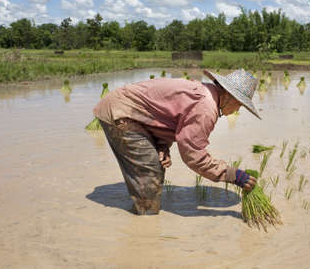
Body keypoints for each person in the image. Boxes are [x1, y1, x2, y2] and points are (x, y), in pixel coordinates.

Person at [93, 69, 259, 215]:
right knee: (149, 172)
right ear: (229, 96)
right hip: (123, 113)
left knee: (155, 165)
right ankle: (144, 226)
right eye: (240, 105)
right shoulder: (206, 107)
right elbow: (193, 155)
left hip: (132, 113)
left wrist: (161, 146)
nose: (237, 110)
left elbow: (165, 116)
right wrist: (231, 175)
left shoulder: (205, 92)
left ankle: (144, 212)